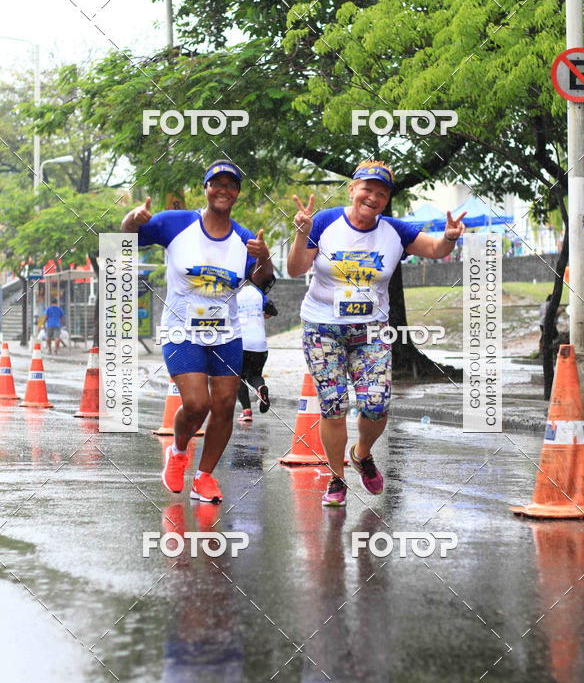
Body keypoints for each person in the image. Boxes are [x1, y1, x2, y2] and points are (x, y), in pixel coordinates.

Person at [287, 159, 466, 508]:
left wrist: (448, 237)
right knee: (334, 405)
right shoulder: (323, 222)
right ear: (353, 189)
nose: (373, 197)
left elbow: (434, 249)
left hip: (371, 331)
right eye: (367, 189)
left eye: (381, 194)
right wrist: (301, 232)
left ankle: (362, 453)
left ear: (386, 202)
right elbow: (295, 269)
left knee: (376, 404)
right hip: (322, 327)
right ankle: (336, 479)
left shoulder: (394, 231)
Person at [121, 160, 274, 503]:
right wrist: (133, 219)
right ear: (205, 188)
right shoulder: (174, 223)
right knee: (196, 403)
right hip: (182, 331)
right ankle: (177, 453)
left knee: (223, 406)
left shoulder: (245, 238)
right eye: (216, 183)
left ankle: (204, 477)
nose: (223, 189)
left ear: (236, 193)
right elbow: (126, 238)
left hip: (227, 334)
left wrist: (264, 258)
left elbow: (264, 281)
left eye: (230, 185)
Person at [236, 283, 278, 422]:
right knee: (255, 374)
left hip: (240, 342)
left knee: (239, 377)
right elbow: (272, 310)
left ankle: (246, 411)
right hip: (260, 344)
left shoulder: (232, 291)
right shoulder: (258, 292)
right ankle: (261, 388)